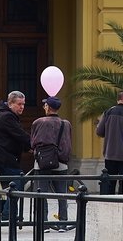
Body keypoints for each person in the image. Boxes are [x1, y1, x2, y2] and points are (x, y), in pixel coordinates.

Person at [0, 91, 31, 221]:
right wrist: (34, 144)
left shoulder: (5, 115)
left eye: (23, 104)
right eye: (19, 104)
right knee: (19, 180)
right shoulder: (7, 117)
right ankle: (7, 213)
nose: (22, 107)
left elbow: (15, 137)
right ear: (10, 104)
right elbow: (20, 135)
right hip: (1, 157)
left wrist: (28, 147)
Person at [31, 96, 73, 233]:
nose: (44, 107)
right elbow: (68, 143)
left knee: (41, 194)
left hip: (41, 163)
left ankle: (44, 224)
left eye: (45, 105)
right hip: (60, 163)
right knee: (62, 195)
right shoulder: (66, 124)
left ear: (48, 107)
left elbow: (33, 143)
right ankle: (63, 223)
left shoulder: (38, 122)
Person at [95, 89, 123, 194]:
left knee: (109, 183)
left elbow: (99, 131)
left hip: (110, 154)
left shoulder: (108, 112)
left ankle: (108, 205)